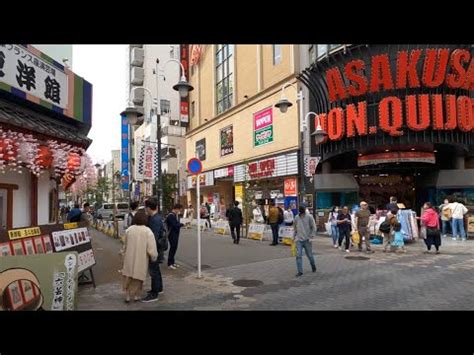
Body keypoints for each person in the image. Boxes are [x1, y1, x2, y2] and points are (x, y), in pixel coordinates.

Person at [120, 210, 158, 303]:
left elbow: (124, 245)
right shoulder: (147, 231)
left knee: (128, 276)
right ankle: (137, 295)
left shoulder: (129, 230)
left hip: (129, 257)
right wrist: (154, 257)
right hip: (141, 258)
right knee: (139, 277)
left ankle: (127, 295)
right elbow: (151, 247)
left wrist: (123, 254)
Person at [142, 198, 164, 302]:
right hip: (157, 248)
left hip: (154, 248)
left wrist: (148, 249)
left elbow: (153, 237)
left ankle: (154, 294)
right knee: (156, 270)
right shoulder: (156, 217)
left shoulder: (155, 220)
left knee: (153, 270)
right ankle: (158, 288)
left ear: (149, 207)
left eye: (145, 207)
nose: (145, 209)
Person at [293, 206, 317, 277]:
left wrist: (311, 236)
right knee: (298, 255)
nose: (302, 214)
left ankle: (313, 265)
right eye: (301, 212)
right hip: (298, 240)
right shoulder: (296, 217)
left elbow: (314, 227)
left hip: (307, 239)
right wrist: (294, 236)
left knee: (310, 255)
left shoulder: (309, 217)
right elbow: (295, 227)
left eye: (303, 212)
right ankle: (300, 271)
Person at [165, 204, 184, 269]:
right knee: (172, 248)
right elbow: (174, 225)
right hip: (171, 235)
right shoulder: (170, 216)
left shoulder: (174, 215)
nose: (179, 211)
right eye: (179, 210)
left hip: (175, 234)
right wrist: (182, 224)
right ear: (176, 209)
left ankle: (172, 262)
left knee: (174, 248)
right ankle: (169, 264)